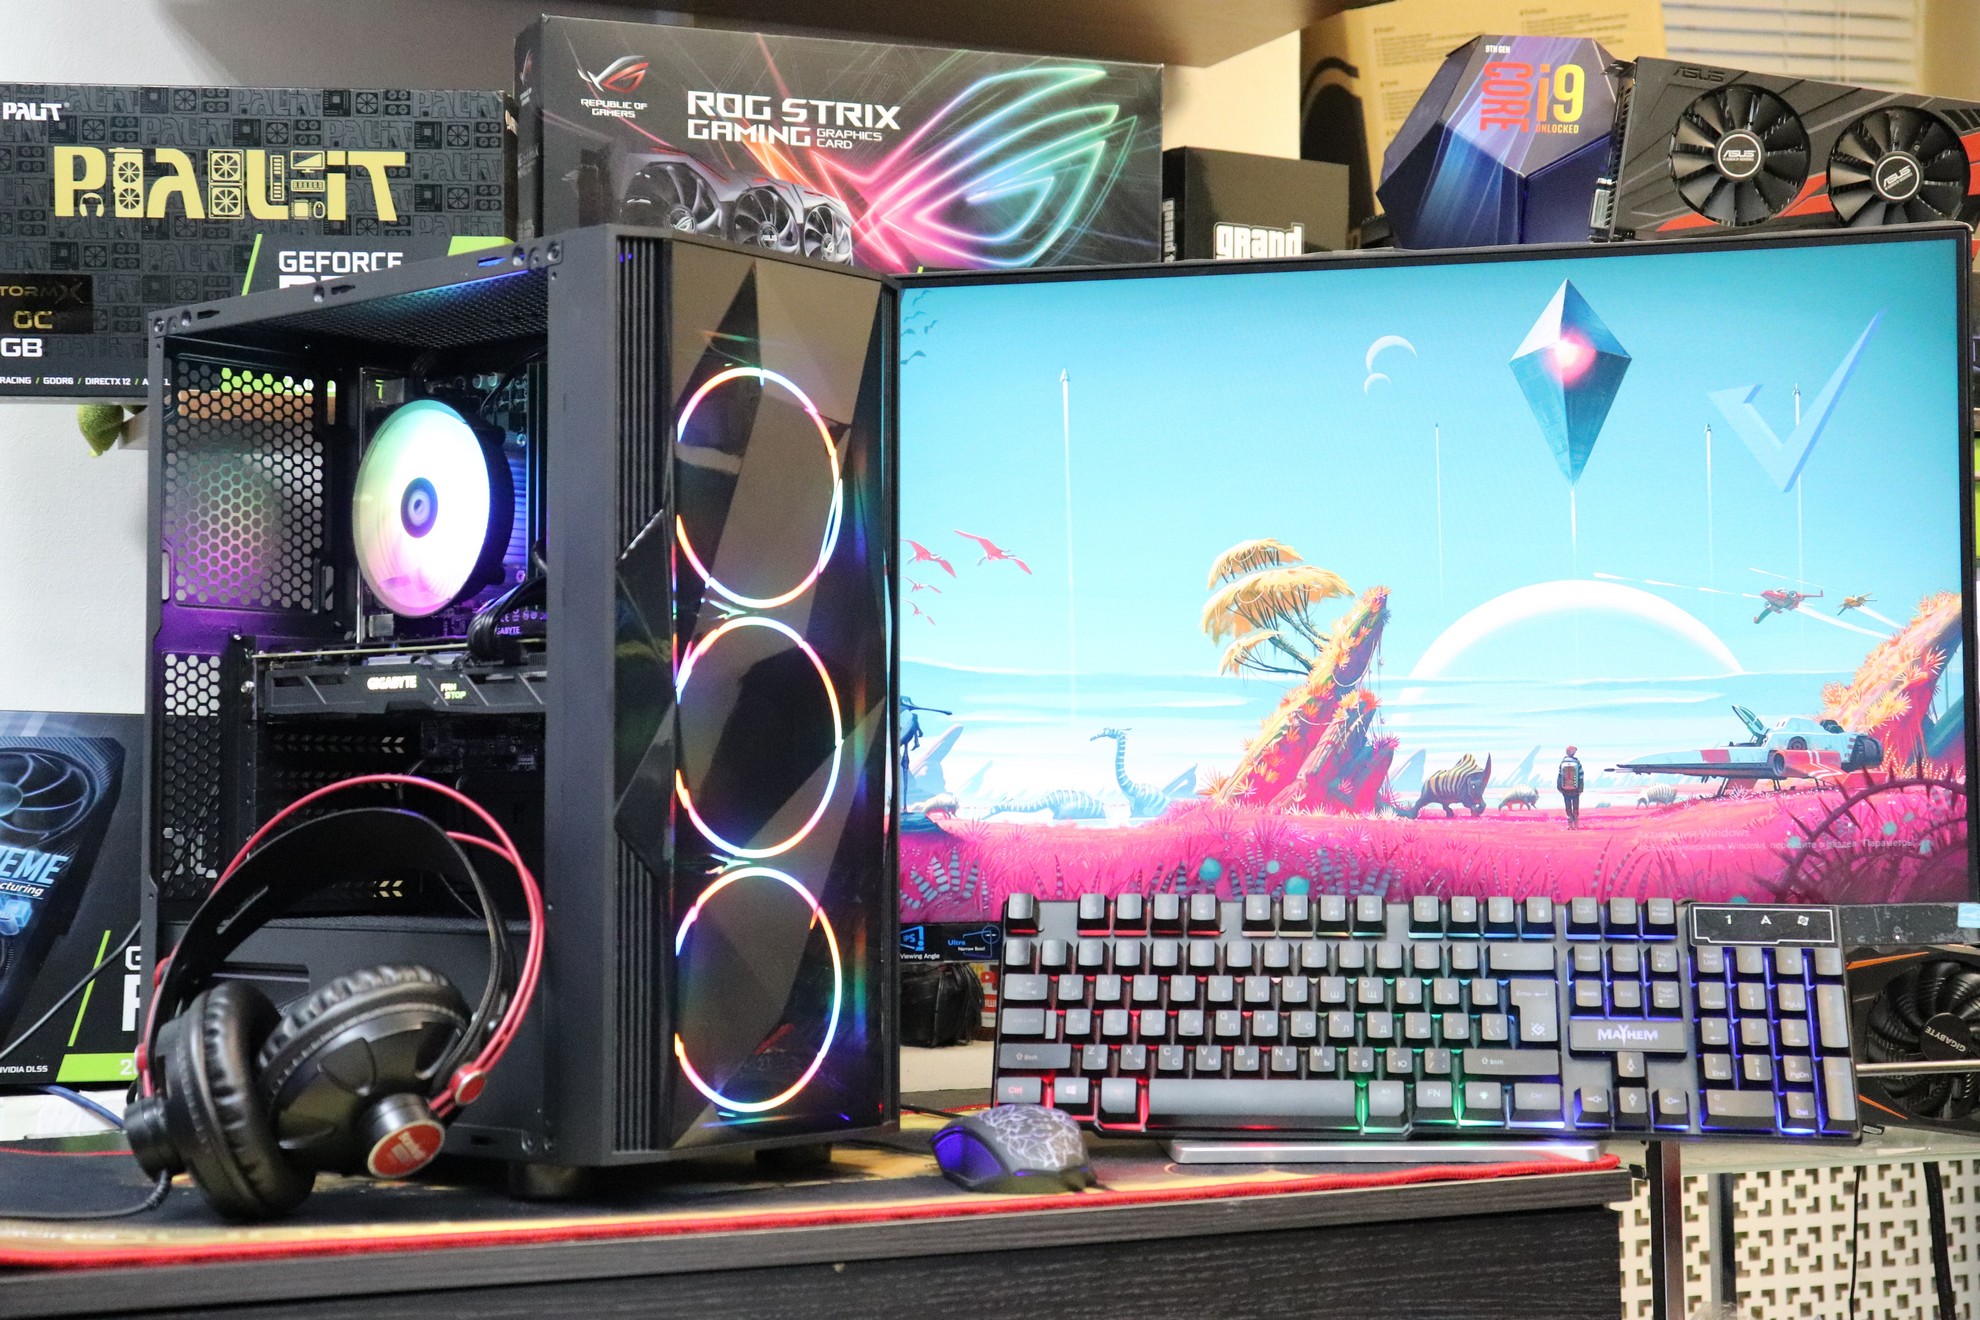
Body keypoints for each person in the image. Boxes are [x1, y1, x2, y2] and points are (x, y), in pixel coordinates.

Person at [1557, 745, 1585, 829]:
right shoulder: (1577, 762)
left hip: (1565, 789)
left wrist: (1559, 787)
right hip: (1575, 789)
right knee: (1575, 806)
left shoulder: (1563, 762)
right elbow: (1581, 776)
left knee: (1568, 807)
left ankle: (1570, 825)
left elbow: (1560, 776)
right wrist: (1580, 788)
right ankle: (1576, 825)